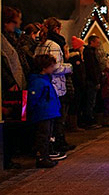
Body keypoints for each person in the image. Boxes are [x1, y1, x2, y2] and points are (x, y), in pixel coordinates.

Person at [35, 17, 74, 154]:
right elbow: (55, 67)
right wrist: (69, 67)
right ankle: (54, 145)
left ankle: (51, 146)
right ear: (57, 29)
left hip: (46, 84)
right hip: (56, 86)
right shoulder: (54, 46)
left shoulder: (40, 45)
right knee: (56, 119)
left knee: (49, 121)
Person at [28, 54, 62, 168]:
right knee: (43, 135)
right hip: (43, 113)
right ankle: (42, 157)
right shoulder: (39, 82)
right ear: (44, 68)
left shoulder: (44, 80)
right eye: (51, 66)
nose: (53, 68)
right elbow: (33, 98)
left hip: (48, 112)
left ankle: (45, 156)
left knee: (47, 135)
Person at [82, 35, 102, 129]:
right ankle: (88, 121)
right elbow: (92, 68)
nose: (98, 45)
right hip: (91, 81)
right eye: (97, 42)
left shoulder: (91, 52)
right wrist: (96, 80)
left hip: (92, 80)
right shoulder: (89, 53)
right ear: (92, 42)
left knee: (91, 101)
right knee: (90, 102)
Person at [67, 36, 86, 132]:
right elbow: (79, 73)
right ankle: (73, 125)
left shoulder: (76, 57)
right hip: (77, 85)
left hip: (77, 84)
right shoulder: (76, 58)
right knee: (75, 104)